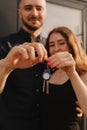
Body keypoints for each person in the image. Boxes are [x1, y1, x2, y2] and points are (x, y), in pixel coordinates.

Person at [0, 0, 83, 129]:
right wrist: (6, 66)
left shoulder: (52, 48)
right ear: (19, 13)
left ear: (45, 12)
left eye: (39, 8)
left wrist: (72, 105)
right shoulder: (4, 46)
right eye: (28, 8)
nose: (34, 13)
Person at [41, 26, 87, 130]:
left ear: (72, 45)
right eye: (52, 45)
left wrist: (72, 73)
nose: (56, 49)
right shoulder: (49, 72)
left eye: (61, 43)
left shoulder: (82, 72)